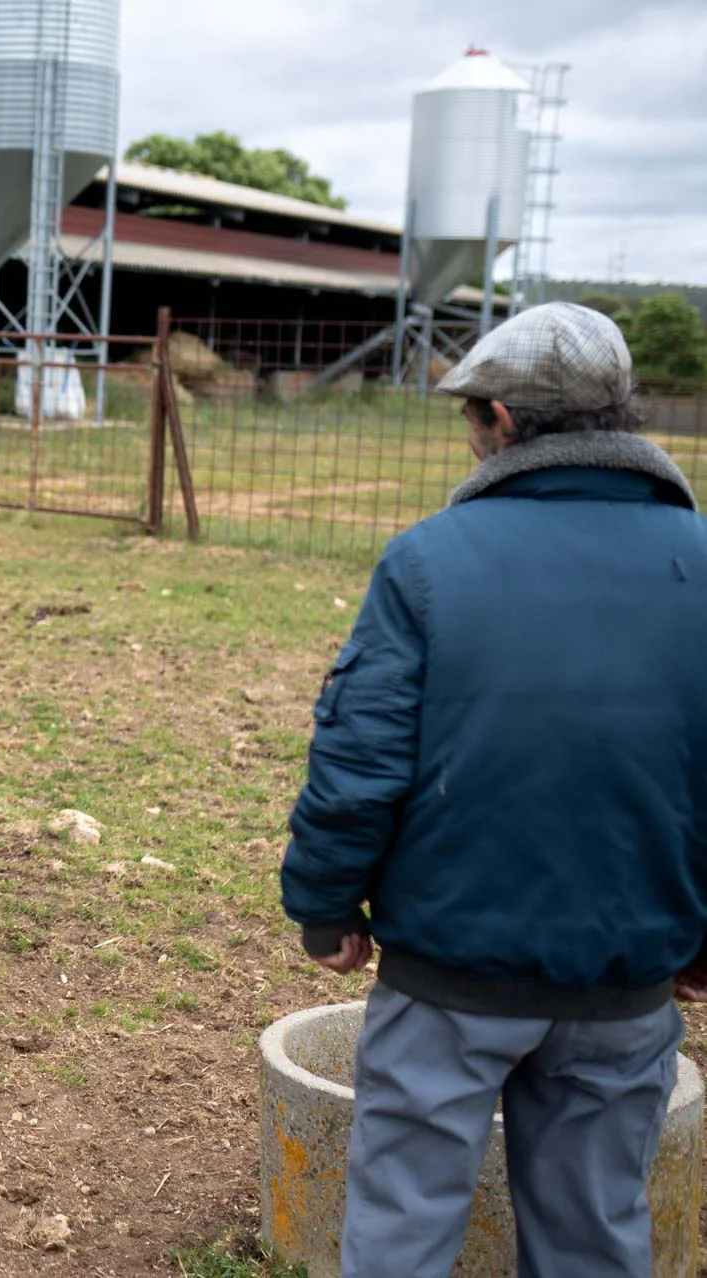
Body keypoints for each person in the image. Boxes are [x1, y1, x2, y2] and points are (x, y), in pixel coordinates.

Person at [280, 301, 707, 1278]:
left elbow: (360, 758)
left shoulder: (428, 561)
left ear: (503, 420)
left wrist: (326, 903)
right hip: (627, 977)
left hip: (449, 972)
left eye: (472, 416)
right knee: (596, 1238)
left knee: (401, 1233)